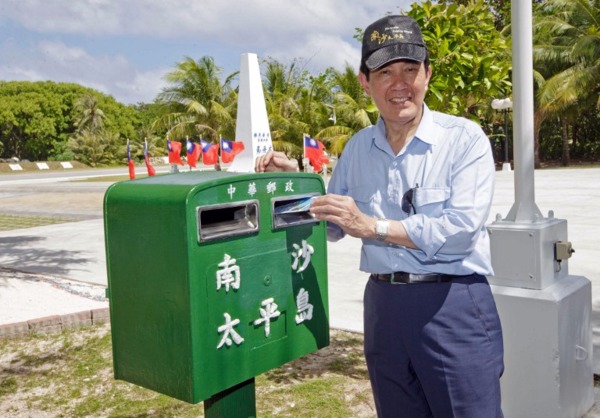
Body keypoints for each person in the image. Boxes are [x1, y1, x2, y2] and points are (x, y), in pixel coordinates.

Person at [255, 14, 503, 418]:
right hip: (384, 305)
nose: (400, 83)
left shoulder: (463, 139)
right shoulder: (356, 149)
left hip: (452, 303)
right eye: (385, 71)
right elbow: (334, 223)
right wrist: (296, 186)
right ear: (364, 82)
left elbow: (460, 230)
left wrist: (372, 227)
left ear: (428, 74)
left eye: (410, 69)